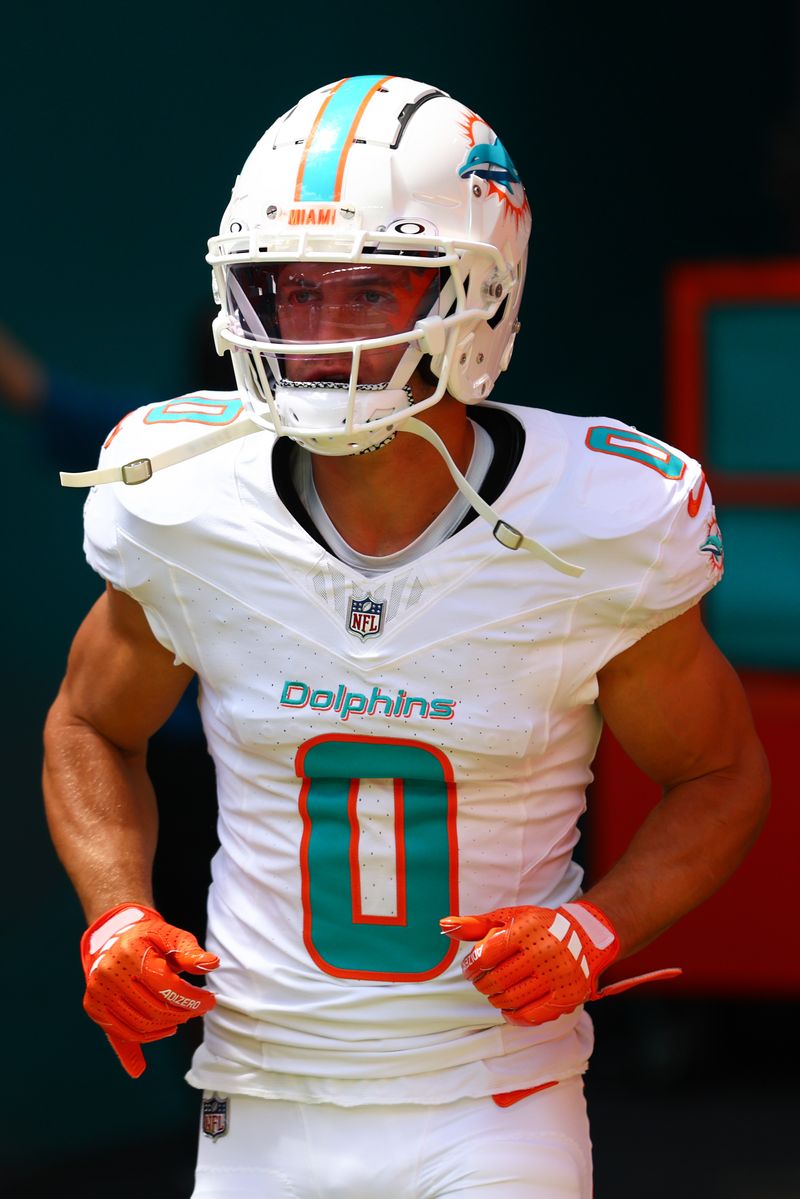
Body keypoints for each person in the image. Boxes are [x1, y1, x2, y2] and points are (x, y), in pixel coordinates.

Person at [43, 75, 769, 1198]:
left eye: (364, 292)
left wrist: (592, 925)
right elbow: (89, 721)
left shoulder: (595, 522)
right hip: (259, 1090)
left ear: (478, 294)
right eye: (287, 291)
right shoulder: (188, 500)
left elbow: (718, 771)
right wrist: (114, 913)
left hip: (491, 1096)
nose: (316, 332)